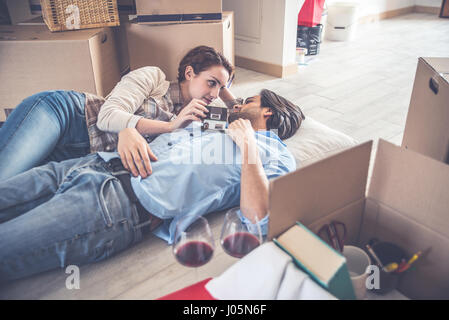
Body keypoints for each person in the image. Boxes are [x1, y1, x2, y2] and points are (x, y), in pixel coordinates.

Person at [0, 89, 305, 283]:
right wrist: (129, 131)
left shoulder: (276, 155)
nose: (238, 102)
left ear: (268, 111)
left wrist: (248, 144)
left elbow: (259, 219)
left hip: (113, 205)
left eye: (249, 101)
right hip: (93, 163)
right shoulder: (218, 125)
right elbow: (170, 135)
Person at [0, 46, 237, 181]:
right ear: (189, 73)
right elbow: (107, 116)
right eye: (211, 83)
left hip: (81, 153)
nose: (215, 93)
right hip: (65, 116)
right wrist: (170, 126)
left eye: (221, 87)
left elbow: (239, 118)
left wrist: (227, 92)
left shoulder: (199, 113)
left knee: (13, 193)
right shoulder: (154, 77)